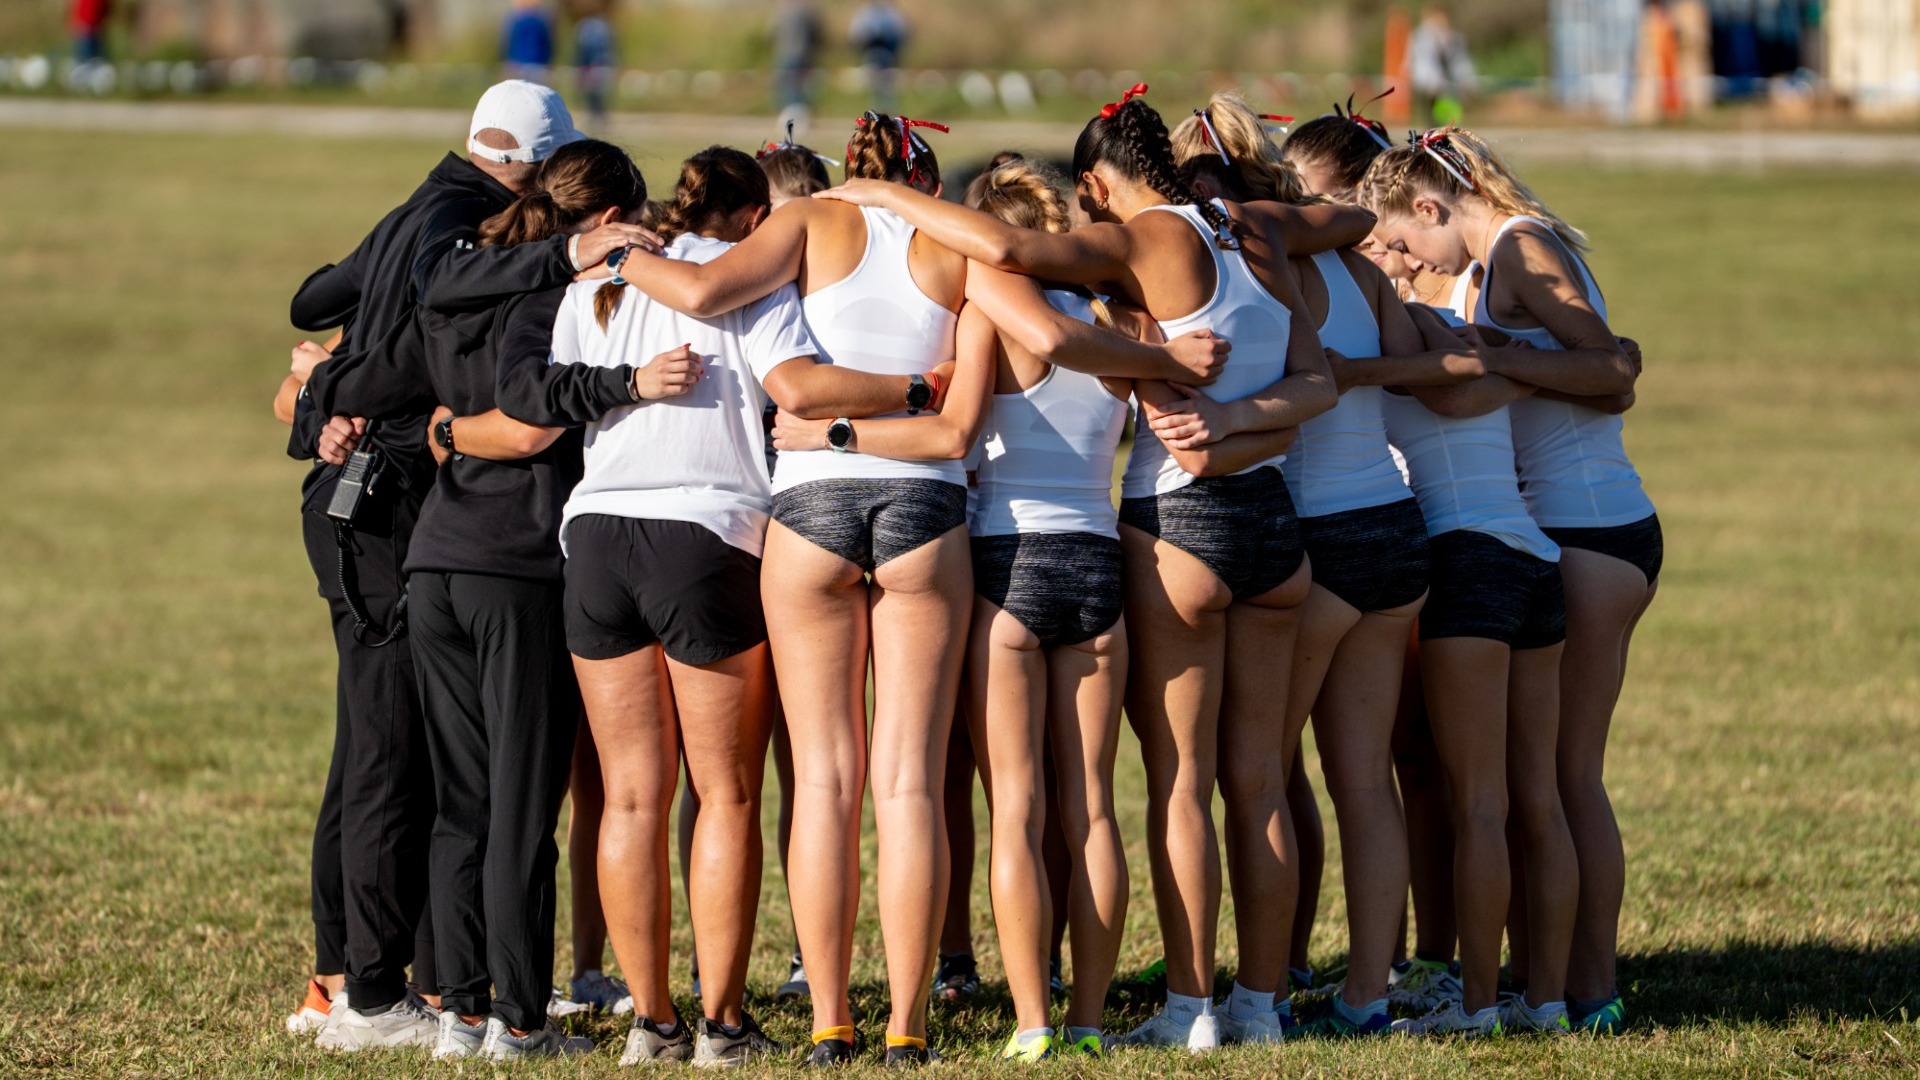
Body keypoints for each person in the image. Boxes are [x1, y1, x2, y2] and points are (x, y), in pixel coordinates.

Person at [615, 111, 1235, 1065]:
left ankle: (831, 1020)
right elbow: (1010, 365)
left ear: (850, 168)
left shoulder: (808, 221)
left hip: (812, 505)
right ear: (925, 176)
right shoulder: (954, 244)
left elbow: (701, 290)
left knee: (822, 781)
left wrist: (614, 258)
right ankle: (909, 1025)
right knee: (907, 782)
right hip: (930, 513)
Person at [819, 85, 1374, 1052]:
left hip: (1155, 536)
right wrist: (1233, 415)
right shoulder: (1242, 232)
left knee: (1161, 788)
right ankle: (1257, 1005)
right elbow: (1323, 347)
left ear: (1099, 185)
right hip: (1268, 524)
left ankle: (1164, 1009)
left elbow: (1008, 259)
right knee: (1257, 784)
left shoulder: (1135, 249)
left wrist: (885, 194)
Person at [282, 80, 647, 1052]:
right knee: (417, 764)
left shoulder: (420, 216)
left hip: (399, 527)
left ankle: (410, 991)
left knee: (409, 768)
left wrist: (322, 378)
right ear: (539, 173)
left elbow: (317, 297)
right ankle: (395, 995)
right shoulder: (497, 254)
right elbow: (491, 391)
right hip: (450, 526)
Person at [1358, 127, 1611, 1036]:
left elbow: (1432, 385)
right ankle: (1544, 999)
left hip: (1466, 564)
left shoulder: (1417, 328)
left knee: (1481, 805)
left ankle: (1473, 1004)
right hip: (1537, 560)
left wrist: (1354, 364)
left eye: (1389, 245)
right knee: (1535, 798)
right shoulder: (1476, 327)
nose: (1385, 260)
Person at [1438, 128, 1654, 1036]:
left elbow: (1610, 373)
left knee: (1566, 778)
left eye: (1408, 238)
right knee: (1560, 779)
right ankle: (1557, 981)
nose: (1408, 258)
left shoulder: (1519, 246)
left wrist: (1494, 356)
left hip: (1587, 525)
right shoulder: (1512, 252)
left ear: (1436, 203)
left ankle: (1586, 991)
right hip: (1592, 523)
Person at [1409, 7, 1478, 125]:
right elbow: (1423, 62)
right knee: (1431, 111)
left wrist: (1468, 80)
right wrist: (1434, 82)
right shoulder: (1421, 37)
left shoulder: (1454, 37)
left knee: (1447, 112)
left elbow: (1460, 61)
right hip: (1430, 82)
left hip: (1448, 83)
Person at [848, 0, 909, 112]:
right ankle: (879, 115)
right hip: (873, 52)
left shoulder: (888, 13)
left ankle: (885, 115)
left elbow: (856, 33)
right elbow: (857, 34)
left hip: (887, 52)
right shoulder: (871, 12)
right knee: (878, 85)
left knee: (886, 86)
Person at [770, 0, 823, 118]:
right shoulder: (808, 11)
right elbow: (816, 33)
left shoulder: (781, 11)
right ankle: (799, 113)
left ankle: (788, 113)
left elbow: (771, 32)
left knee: (786, 86)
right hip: (804, 53)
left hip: (784, 53)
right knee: (801, 86)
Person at [573, 1, 617, 128]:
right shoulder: (587, 25)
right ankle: (595, 117)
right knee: (591, 94)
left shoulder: (598, 26)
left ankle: (599, 118)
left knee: (597, 93)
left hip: (598, 65)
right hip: (593, 65)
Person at [501, 0, 555, 82]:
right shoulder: (541, 20)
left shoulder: (516, 20)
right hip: (528, 64)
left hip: (525, 64)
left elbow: (507, 43)